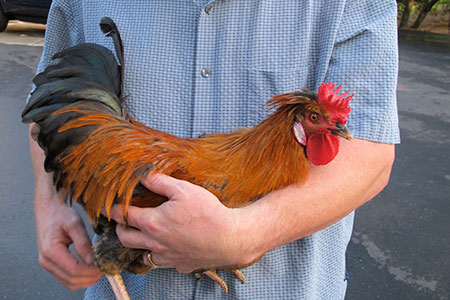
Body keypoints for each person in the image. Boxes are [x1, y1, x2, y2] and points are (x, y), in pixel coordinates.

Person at [29, 0, 399, 299]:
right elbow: (46, 107)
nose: (336, 128)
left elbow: (372, 149)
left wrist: (249, 233)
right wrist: (50, 204)